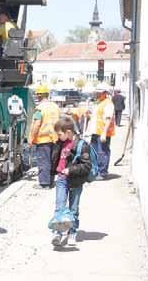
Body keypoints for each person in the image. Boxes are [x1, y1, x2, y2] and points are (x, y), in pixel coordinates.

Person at [50, 117, 92, 246]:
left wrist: (71, 170)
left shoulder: (81, 145)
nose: (58, 136)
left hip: (75, 181)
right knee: (59, 207)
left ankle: (72, 232)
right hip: (61, 180)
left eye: (60, 133)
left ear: (68, 132)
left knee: (73, 209)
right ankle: (58, 233)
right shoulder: (60, 143)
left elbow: (86, 166)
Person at [28, 85, 60, 189]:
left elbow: (37, 124)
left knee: (43, 161)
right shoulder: (55, 107)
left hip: (43, 139)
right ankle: (50, 181)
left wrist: (31, 138)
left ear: (38, 95)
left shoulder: (39, 109)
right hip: (55, 138)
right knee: (52, 160)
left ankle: (44, 183)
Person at [88, 83, 115, 179]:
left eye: (99, 93)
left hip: (102, 132)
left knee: (102, 152)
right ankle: (96, 171)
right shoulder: (100, 102)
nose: (97, 94)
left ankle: (102, 172)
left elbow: (108, 118)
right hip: (96, 131)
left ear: (104, 93)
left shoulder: (108, 103)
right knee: (94, 152)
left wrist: (104, 133)